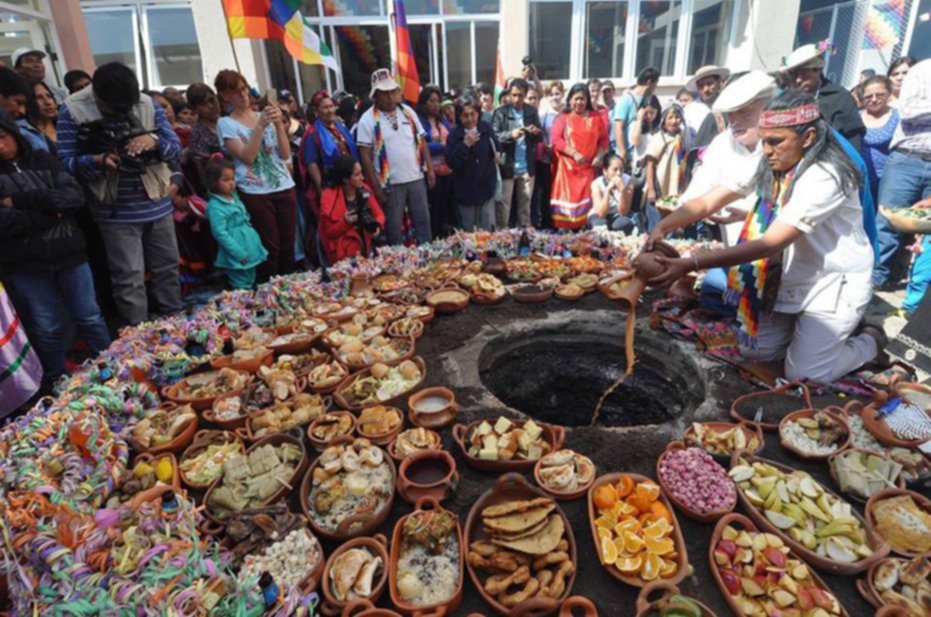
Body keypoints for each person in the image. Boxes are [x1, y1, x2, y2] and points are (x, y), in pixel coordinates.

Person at [648, 90, 880, 383]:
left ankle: (869, 340)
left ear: (808, 138)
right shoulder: (773, 163)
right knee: (754, 351)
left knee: (804, 375)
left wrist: (691, 264)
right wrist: (664, 225)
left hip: (833, 283)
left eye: (775, 142)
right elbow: (711, 200)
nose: (766, 150)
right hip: (791, 278)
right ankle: (813, 341)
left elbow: (771, 242)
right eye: (764, 141)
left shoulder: (826, 174)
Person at [57, 62, 183, 326]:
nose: (120, 112)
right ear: (96, 95)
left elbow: (176, 148)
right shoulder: (72, 109)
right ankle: (138, 339)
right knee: (129, 278)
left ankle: (178, 325)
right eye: (112, 108)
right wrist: (97, 160)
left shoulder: (147, 103)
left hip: (157, 202)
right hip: (114, 210)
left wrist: (154, 141)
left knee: (168, 268)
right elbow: (64, 164)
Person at [0, 112, 111, 387]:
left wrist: (24, 199)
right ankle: (58, 383)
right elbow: (4, 222)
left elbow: (74, 197)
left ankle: (113, 367)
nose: (0, 146)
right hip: (25, 264)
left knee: (89, 315)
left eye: (2, 137)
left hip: (68, 253)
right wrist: (50, 214)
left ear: (13, 134)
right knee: (46, 327)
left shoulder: (43, 160)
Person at [678, 71, 778, 315]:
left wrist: (747, 216)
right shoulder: (723, 143)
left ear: (768, 109)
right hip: (731, 257)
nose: (734, 120)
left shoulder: (786, 150)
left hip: (779, 266)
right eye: (730, 113)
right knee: (715, 304)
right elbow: (695, 197)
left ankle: (869, 335)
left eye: (743, 112)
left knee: (760, 343)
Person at [215, 69, 297, 281]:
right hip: (255, 190)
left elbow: (285, 153)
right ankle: (269, 292)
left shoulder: (263, 115)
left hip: (283, 185)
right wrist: (260, 127)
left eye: (244, 89)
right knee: (271, 247)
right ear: (225, 96)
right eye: (236, 92)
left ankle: (292, 289)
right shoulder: (226, 123)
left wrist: (278, 124)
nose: (243, 95)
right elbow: (247, 156)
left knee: (289, 244)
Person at [357, 69, 434, 245]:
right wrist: (375, 187)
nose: (391, 97)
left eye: (393, 91)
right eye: (385, 93)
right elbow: (365, 157)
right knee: (393, 227)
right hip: (390, 184)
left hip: (416, 177)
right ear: (375, 96)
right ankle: (398, 264)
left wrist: (429, 169)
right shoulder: (367, 120)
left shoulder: (408, 112)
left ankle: (428, 261)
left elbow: (422, 142)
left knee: (423, 222)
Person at [874, 59, 931, 288]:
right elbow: (907, 111)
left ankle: (920, 290)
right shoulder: (921, 70)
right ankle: (875, 281)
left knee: (928, 230)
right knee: (887, 221)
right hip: (907, 159)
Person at [781, 42, 866, 150]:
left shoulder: (839, 98)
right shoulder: (788, 99)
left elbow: (852, 139)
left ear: (818, 70)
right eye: (793, 75)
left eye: (803, 73)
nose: (798, 80)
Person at [550, 83, 609, 230]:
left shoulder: (596, 117)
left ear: (587, 100)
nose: (579, 102)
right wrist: (574, 153)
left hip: (589, 168)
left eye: (582, 99)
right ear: (569, 100)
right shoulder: (562, 118)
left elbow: (604, 139)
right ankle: (563, 238)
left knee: (587, 207)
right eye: (576, 99)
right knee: (566, 210)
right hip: (567, 170)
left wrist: (599, 156)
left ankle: (584, 237)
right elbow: (556, 140)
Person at [205, 157, 267, 290]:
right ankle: (241, 308)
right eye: (225, 180)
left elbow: (245, 215)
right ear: (214, 182)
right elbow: (220, 233)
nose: (231, 183)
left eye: (232, 179)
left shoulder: (234, 197)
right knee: (241, 285)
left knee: (251, 279)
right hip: (237, 252)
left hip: (249, 247)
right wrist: (238, 253)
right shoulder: (215, 207)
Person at [300, 90, 359, 220]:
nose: (330, 110)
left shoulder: (339, 126)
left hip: (350, 182)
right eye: (325, 108)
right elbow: (311, 163)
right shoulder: (312, 133)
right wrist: (321, 189)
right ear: (316, 111)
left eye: (331, 106)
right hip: (331, 184)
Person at [492, 78, 543, 229]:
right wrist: (510, 135)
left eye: (520, 95)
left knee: (525, 205)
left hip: (527, 166)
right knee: (504, 205)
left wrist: (535, 131)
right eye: (514, 95)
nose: (516, 99)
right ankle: (502, 238)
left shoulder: (531, 111)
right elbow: (494, 137)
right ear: (509, 94)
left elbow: (540, 137)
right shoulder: (501, 112)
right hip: (508, 164)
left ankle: (524, 239)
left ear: (526, 94)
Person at [319, 155, 385, 264]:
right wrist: (345, 222)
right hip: (343, 254)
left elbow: (380, 215)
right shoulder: (329, 197)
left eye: (361, 173)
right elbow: (328, 233)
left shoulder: (364, 189)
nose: (362, 178)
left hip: (365, 248)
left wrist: (377, 225)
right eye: (357, 175)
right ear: (345, 179)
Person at [446, 98, 499, 232]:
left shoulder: (485, 128)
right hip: (465, 191)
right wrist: (465, 145)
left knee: (487, 230)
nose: (470, 119)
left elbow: (496, 144)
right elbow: (451, 162)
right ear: (459, 116)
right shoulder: (454, 135)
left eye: (473, 114)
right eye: (465, 115)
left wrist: (498, 152)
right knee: (468, 232)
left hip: (486, 187)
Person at [417, 85, 456, 237]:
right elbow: (421, 146)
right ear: (424, 102)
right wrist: (440, 145)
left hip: (447, 171)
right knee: (435, 209)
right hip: (432, 172)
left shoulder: (442, 120)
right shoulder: (419, 121)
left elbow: (451, 139)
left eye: (437, 101)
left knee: (448, 209)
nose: (435, 105)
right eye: (431, 101)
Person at [860, 76, 899, 203]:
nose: (874, 100)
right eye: (868, 96)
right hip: (861, 178)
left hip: (888, 180)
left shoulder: (898, 117)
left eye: (880, 95)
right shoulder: (855, 117)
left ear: (889, 94)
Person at [644, 104, 693, 205]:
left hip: (678, 185)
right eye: (670, 117)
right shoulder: (659, 139)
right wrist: (651, 189)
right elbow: (650, 165)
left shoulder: (685, 138)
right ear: (663, 120)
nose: (674, 121)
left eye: (677, 117)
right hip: (661, 186)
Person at [614, 67, 660, 170]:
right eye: (655, 84)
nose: (655, 88)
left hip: (641, 155)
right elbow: (618, 127)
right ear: (649, 82)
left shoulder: (648, 99)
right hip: (627, 156)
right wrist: (622, 151)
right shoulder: (626, 100)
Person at [534, 81, 565, 229]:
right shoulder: (544, 114)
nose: (555, 97)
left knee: (562, 192)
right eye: (551, 94)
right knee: (546, 192)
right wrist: (546, 146)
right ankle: (547, 224)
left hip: (564, 160)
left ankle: (562, 223)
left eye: (557, 94)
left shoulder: (567, 113)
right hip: (547, 159)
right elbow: (540, 134)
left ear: (562, 94)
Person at [185, 82, 222, 194]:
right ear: (195, 109)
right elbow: (203, 176)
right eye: (203, 104)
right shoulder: (198, 135)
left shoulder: (231, 122)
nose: (210, 106)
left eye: (211, 100)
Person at [684, 65, 730, 148]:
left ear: (718, 82)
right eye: (701, 86)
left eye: (709, 84)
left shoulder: (728, 105)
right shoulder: (689, 110)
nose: (705, 89)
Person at [589, 152, 635, 232]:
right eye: (615, 169)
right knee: (600, 225)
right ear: (605, 171)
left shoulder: (628, 181)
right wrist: (607, 191)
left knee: (624, 223)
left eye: (621, 169)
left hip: (617, 214)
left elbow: (623, 212)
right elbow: (601, 213)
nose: (619, 173)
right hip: (599, 215)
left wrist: (623, 191)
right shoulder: (596, 184)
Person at [18, 81, 57, 153]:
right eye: (39, 97)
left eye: (49, 96)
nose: (48, 102)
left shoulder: (65, 123)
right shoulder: (23, 131)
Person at [628, 95, 661, 177]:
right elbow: (634, 141)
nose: (649, 116)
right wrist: (639, 119)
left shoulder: (661, 126)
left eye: (652, 113)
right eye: (646, 113)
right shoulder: (635, 124)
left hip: (658, 167)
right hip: (642, 169)